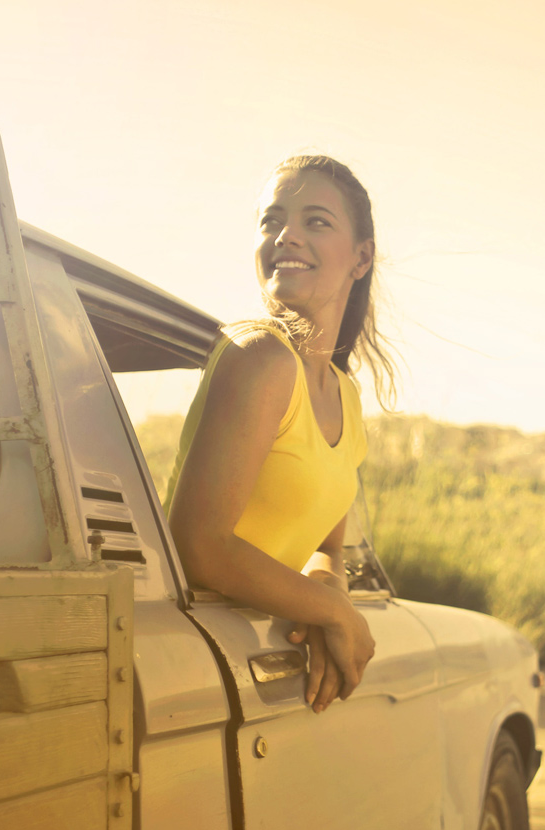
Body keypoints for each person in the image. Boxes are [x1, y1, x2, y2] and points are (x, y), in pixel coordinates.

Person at [163, 155, 392, 715]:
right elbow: (199, 546)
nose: (285, 234)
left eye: (316, 221)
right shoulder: (260, 356)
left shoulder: (346, 396)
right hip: (190, 659)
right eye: (271, 221)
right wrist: (333, 613)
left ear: (361, 257)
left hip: (253, 660)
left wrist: (325, 595)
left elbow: (326, 546)